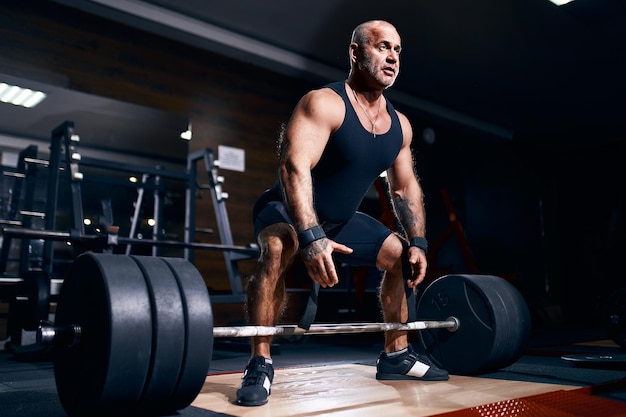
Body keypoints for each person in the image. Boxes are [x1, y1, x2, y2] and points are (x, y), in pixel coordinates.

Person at [236, 20, 449, 407]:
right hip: (285, 210)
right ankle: (260, 362)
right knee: (279, 249)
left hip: (341, 219)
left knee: (401, 257)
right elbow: (293, 168)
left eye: (398, 50)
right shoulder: (324, 103)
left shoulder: (399, 126)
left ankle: (396, 354)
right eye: (382, 46)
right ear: (355, 52)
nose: (392, 57)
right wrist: (312, 237)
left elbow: (404, 187)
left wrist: (418, 241)